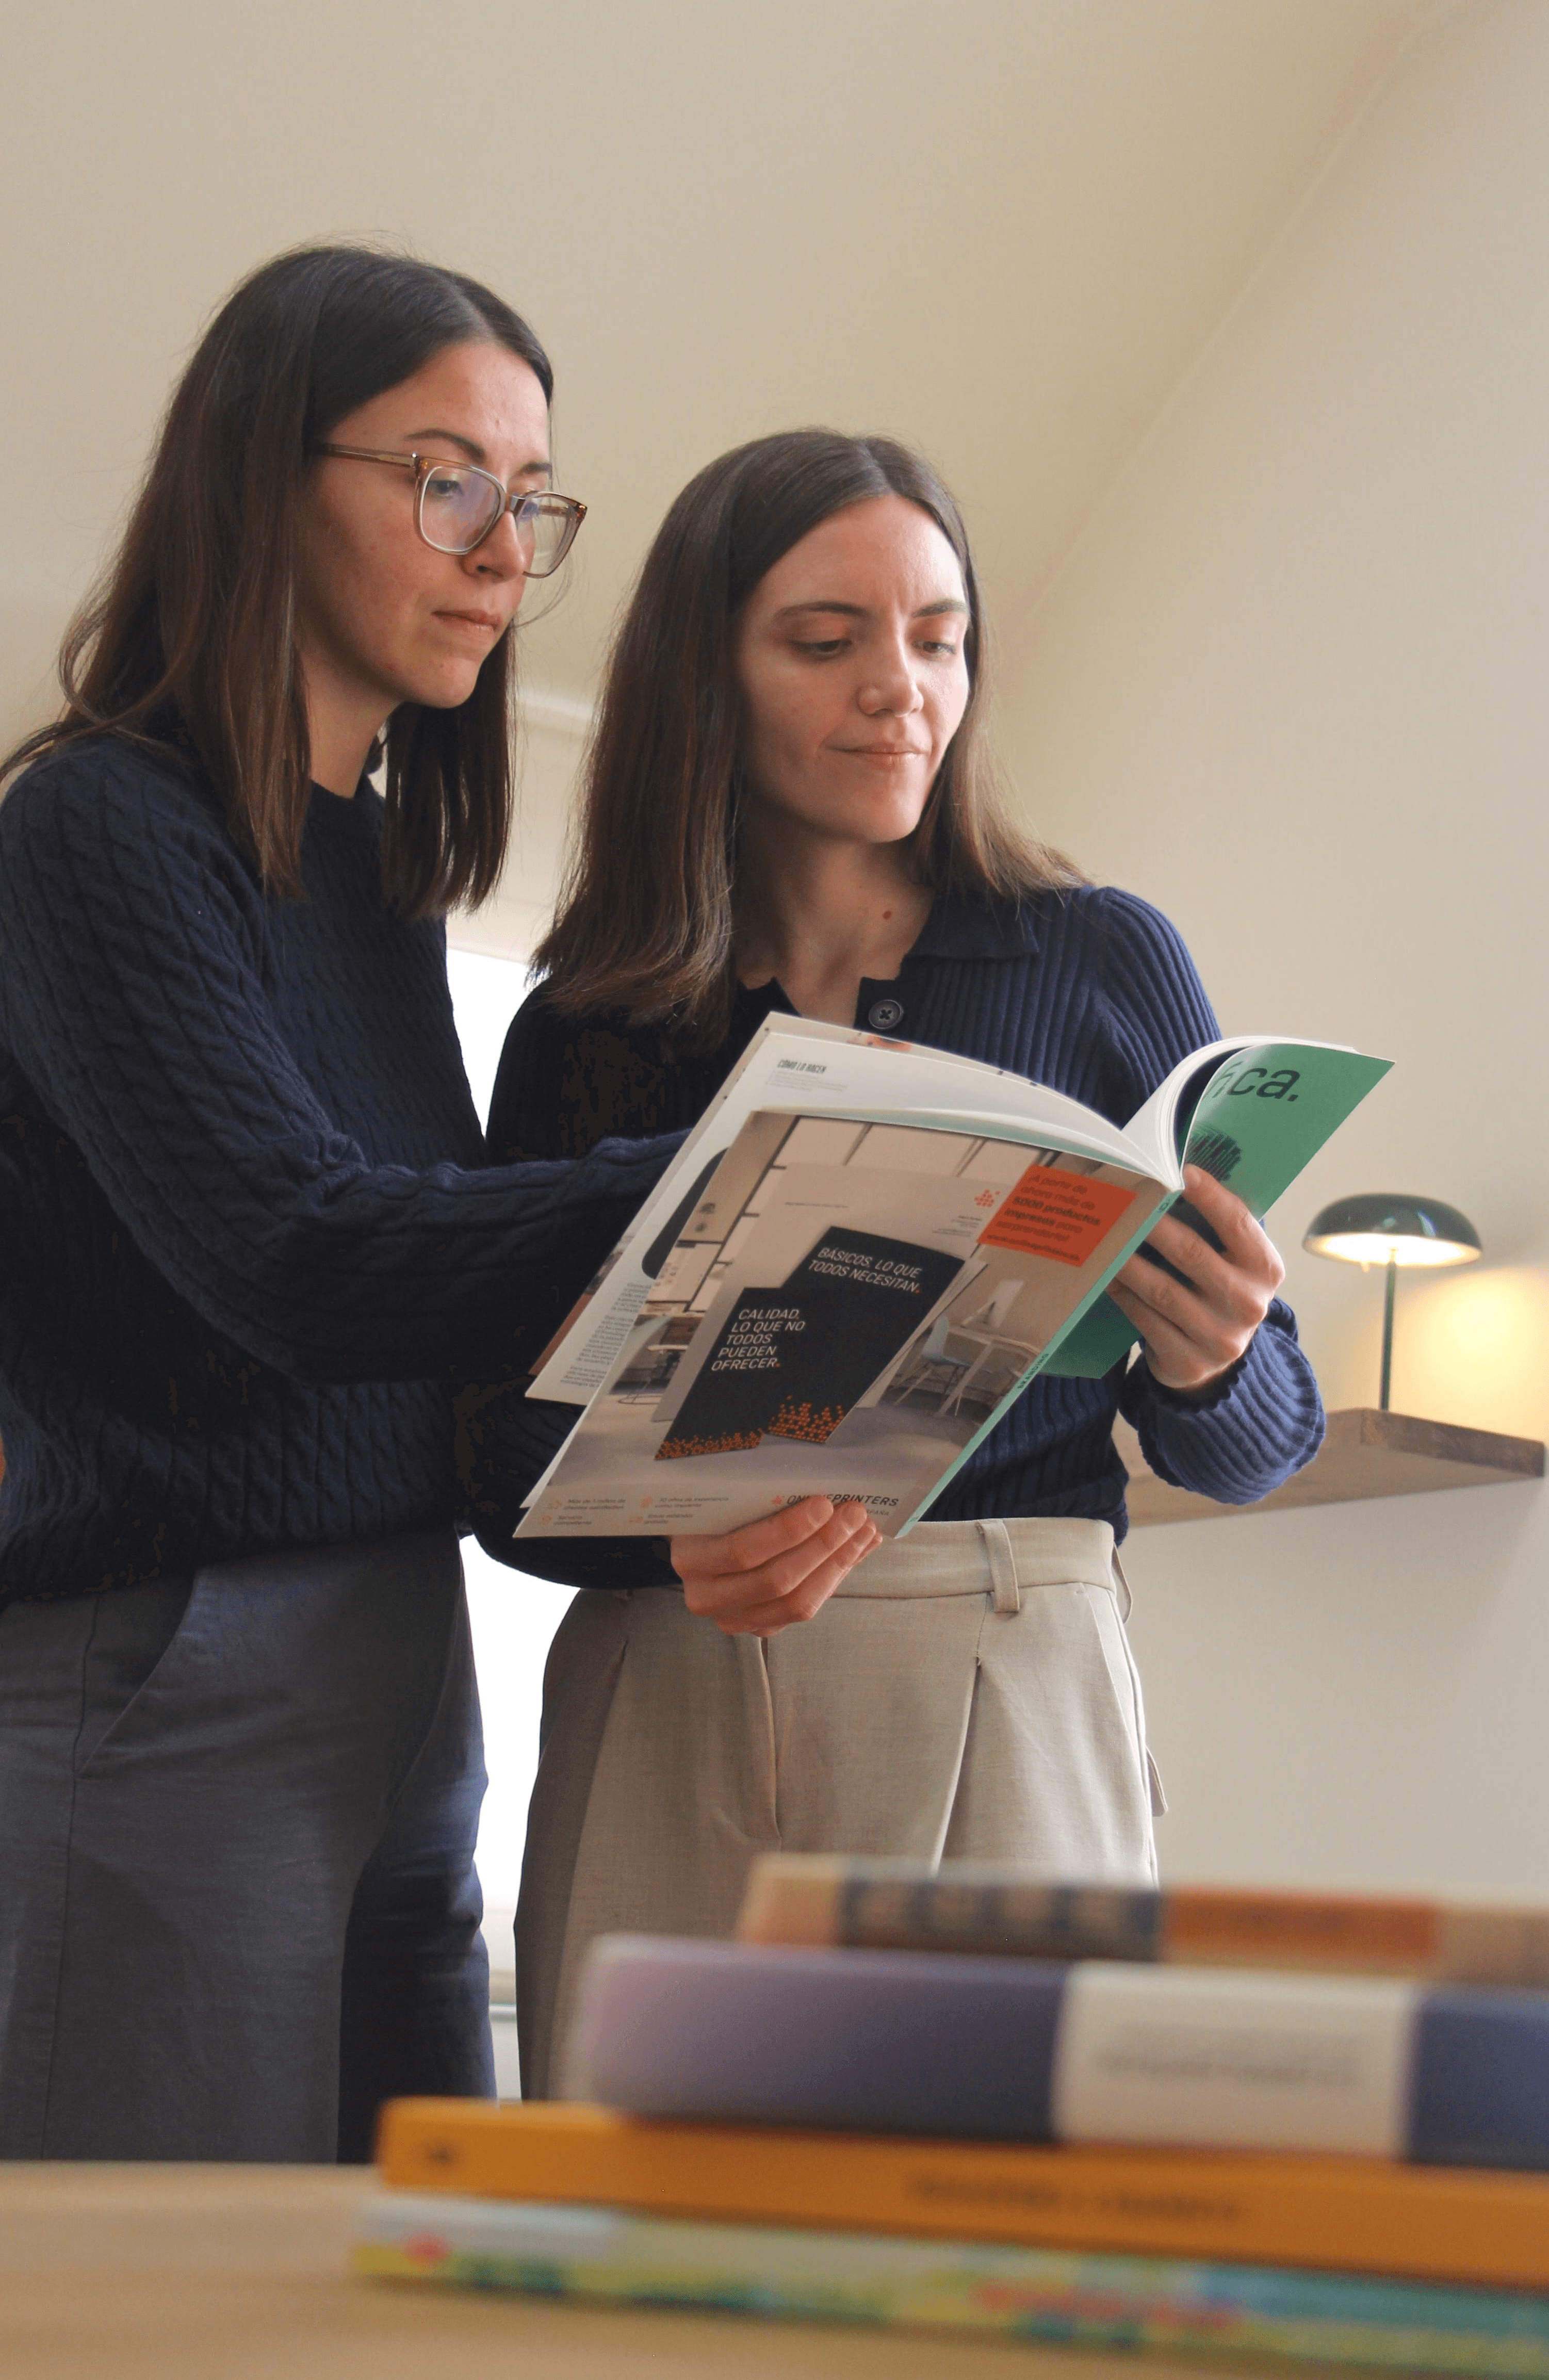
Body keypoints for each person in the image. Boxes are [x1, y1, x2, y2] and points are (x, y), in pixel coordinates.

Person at [0, 242, 778, 2164]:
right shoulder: (103, 824)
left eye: (530, 502)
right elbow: (296, 1252)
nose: (505, 552)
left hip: (399, 1655)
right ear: (267, 477)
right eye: (450, 482)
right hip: (166, 1658)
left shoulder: (371, 874)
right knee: (183, 2319)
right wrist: (721, 1179)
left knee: (394, 2270)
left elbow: (442, 1295)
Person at [470, 430, 1326, 2097]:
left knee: (1014, 2243)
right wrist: (661, 1525)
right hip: (672, 1692)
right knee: (632, 2269)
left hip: (1009, 1652)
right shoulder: (586, 1023)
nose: (901, 689)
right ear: (704, 674)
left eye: (938, 637)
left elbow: (1261, 1435)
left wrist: (1219, 1354)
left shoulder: (1096, 956)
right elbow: (497, 1479)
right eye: (827, 639)